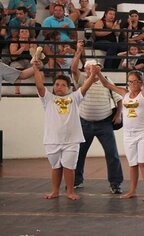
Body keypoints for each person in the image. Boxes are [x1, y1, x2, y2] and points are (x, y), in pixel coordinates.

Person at [99, 44, 144, 201]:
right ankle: (132, 190)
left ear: (140, 82)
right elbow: (107, 85)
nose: (132, 84)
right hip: (128, 134)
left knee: (143, 163)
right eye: (130, 81)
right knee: (132, 164)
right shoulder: (124, 93)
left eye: (135, 81)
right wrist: (97, 73)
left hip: (143, 134)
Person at [32, 59, 96, 200]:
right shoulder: (48, 99)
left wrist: (92, 75)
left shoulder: (74, 98)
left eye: (63, 85)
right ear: (53, 87)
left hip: (72, 140)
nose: (59, 87)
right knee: (56, 167)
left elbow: (85, 87)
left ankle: (70, 191)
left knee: (69, 167)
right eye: (57, 84)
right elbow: (39, 86)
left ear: (68, 88)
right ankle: (55, 191)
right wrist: (35, 69)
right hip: (52, 140)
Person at [71, 40, 124, 194]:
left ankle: (115, 183)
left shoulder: (106, 80)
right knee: (79, 153)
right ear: (85, 70)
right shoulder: (81, 80)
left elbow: (118, 98)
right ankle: (76, 180)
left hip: (104, 123)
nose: (91, 71)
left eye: (93, 68)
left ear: (98, 69)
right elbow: (74, 68)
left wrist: (119, 114)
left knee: (112, 154)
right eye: (88, 68)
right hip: (84, 123)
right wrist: (79, 51)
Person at [9, 28, 36, 94]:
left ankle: (39, 90)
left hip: (30, 62)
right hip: (17, 61)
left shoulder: (32, 42)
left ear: (29, 34)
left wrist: (31, 49)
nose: (24, 33)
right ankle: (17, 91)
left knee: (38, 69)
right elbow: (13, 57)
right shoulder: (14, 43)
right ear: (19, 34)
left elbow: (35, 56)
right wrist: (22, 48)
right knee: (16, 69)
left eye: (26, 31)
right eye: (22, 31)